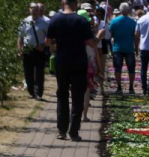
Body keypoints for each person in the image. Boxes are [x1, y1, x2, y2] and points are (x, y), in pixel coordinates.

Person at [45, 0, 95, 141]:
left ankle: (62, 130)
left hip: (62, 61)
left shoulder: (55, 19)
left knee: (62, 94)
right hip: (79, 61)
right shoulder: (81, 21)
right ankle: (74, 132)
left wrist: (58, 42)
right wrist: (99, 36)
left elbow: (47, 42)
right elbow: (91, 43)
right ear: (75, 4)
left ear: (63, 3)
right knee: (78, 97)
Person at [18, 3, 49, 101]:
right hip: (27, 50)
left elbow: (49, 37)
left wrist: (43, 45)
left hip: (39, 50)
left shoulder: (44, 22)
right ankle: (31, 91)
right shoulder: (24, 21)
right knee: (28, 73)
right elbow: (20, 37)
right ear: (29, 10)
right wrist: (20, 50)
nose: (34, 11)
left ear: (39, 10)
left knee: (40, 73)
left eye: (36, 9)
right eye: (32, 9)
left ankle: (39, 93)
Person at [109, 3, 136, 95]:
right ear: (128, 11)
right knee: (131, 69)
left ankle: (119, 87)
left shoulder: (114, 21)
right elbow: (135, 36)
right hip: (129, 48)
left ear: (120, 10)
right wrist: (136, 48)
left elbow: (111, 34)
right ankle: (131, 87)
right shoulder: (133, 22)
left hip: (117, 47)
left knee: (117, 68)